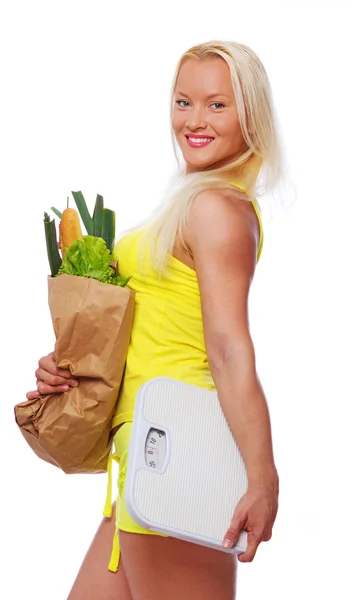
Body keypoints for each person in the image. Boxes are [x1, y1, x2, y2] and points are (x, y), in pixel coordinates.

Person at [26, 40, 284, 600]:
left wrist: (262, 479)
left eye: (218, 105)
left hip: (179, 453)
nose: (195, 120)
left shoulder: (216, 209)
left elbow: (229, 348)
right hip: (145, 458)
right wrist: (69, 364)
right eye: (183, 101)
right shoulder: (189, 203)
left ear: (251, 114)